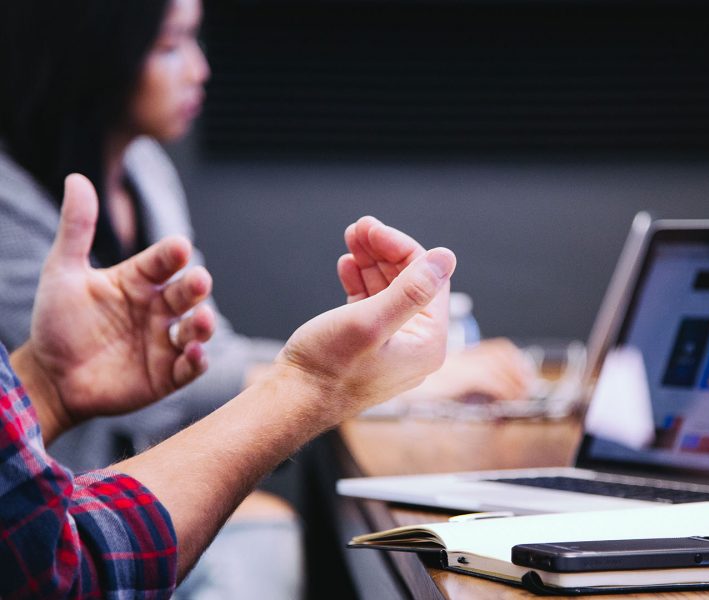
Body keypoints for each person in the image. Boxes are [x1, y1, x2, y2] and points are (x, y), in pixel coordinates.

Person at [1, 173, 457, 598]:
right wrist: (312, 385)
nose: (199, 78)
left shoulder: (147, 167)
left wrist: (44, 386)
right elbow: (58, 569)